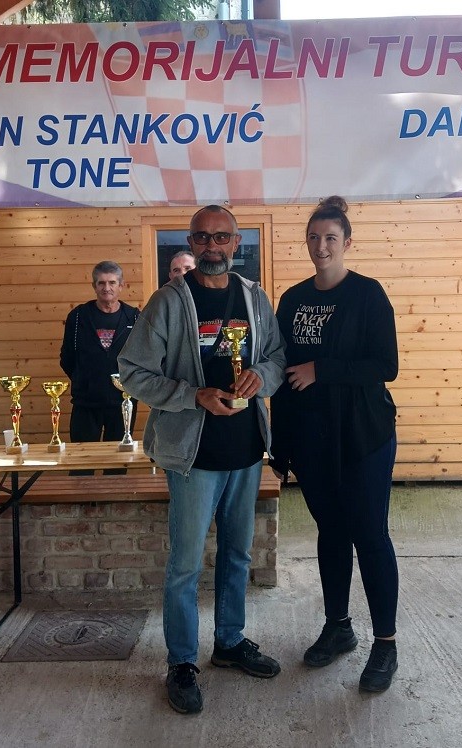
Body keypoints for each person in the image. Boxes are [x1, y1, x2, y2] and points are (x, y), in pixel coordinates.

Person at [118, 205, 286, 715]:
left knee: (237, 556)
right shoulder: (169, 301)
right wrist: (193, 395)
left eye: (222, 237)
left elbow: (276, 358)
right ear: (190, 244)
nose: (212, 246)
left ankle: (230, 642)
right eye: (203, 237)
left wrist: (260, 376)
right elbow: (132, 371)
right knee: (186, 566)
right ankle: (182, 662)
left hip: (246, 452)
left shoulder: (254, 298)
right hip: (191, 457)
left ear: (236, 243)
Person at [269, 195, 400, 693]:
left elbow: (385, 365)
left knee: (370, 535)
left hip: (364, 437)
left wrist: (321, 370)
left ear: (346, 242)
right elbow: (282, 374)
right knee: (331, 532)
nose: (321, 246)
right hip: (313, 440)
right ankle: (338, 627)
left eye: (330, 238)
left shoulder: (368, 294)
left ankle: (385, 643)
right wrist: (281, 444)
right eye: (313, 237)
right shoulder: (292, 300)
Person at [60, 261, 139, 473]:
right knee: (81, 466)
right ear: (94, 286)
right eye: (101, 283)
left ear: (121, 285)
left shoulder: (134, 317)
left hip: (123, 403)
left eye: (112, 282)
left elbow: (142, 358)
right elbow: (67, 358)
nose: (107, 288)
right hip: (86, 403)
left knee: (117, 467)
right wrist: (85, 380)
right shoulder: (78, 317)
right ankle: (81, 497)